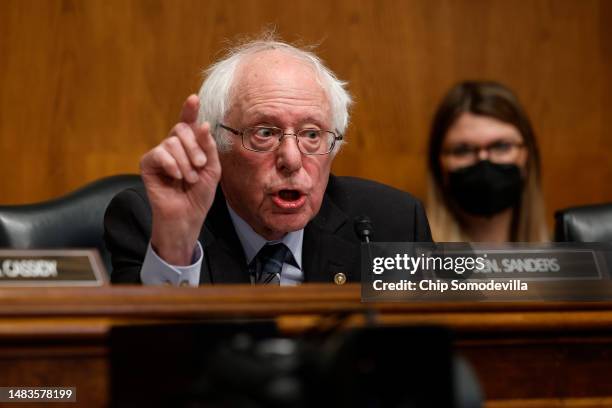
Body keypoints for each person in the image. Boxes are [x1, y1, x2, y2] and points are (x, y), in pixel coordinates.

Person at [104, 36, 432, 286]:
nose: (291, 159)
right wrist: (176, 245)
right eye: (264, 132)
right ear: (217, 145)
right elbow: (150, 362)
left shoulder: (394, 224)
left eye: (312, 134)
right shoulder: (151, 221)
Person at [426, 81, 548, 242]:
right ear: (438, 163)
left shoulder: (570, 259)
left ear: (528, 156)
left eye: (502, 146)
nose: (484, 162)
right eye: (463, 150)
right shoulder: (409, 263)